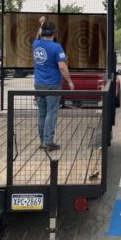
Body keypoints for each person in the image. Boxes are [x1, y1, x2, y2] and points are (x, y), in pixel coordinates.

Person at [33, 19, 74, 151]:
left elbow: (38, 34)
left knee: (42, 113)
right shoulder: (56, 47)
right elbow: (62, 67)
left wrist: (41, 24)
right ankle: (48, 141)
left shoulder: (36, 44)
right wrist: (69, 81)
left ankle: (42, 140)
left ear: (42, 32)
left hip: (38, 84)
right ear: (54, 33)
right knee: (51, 113)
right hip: (52, 85)